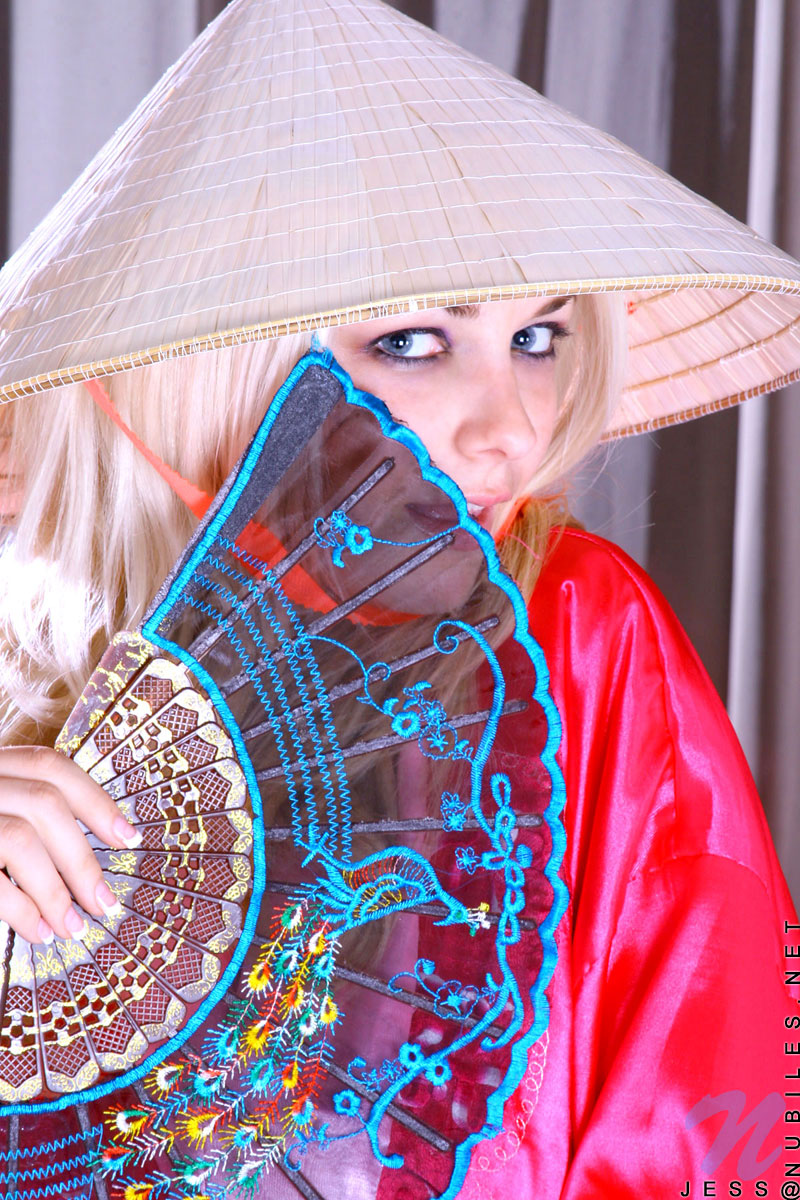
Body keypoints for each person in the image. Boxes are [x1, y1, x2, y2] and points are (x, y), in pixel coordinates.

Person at [0, 1, 799, 1195]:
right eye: (414, 342)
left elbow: (712, 1114)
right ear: (198, 367)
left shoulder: (574, 635)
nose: (510, 430)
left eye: (538, 339)